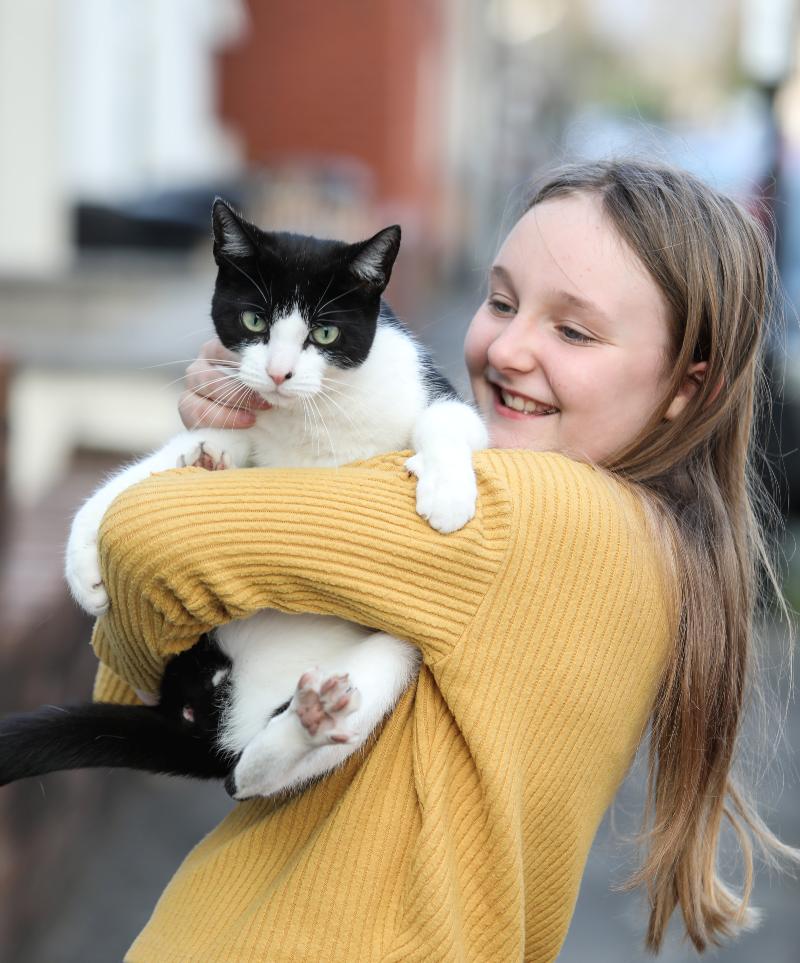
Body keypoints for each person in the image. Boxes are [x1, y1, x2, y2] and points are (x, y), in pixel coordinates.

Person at [90, 159, 798, 962]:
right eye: (501, 301)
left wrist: (224, 456)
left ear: (685, 387)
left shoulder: (526, 517)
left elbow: (144, 541)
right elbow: (139, 679)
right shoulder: (637, 540)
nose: (510, 346)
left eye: (573, 330)